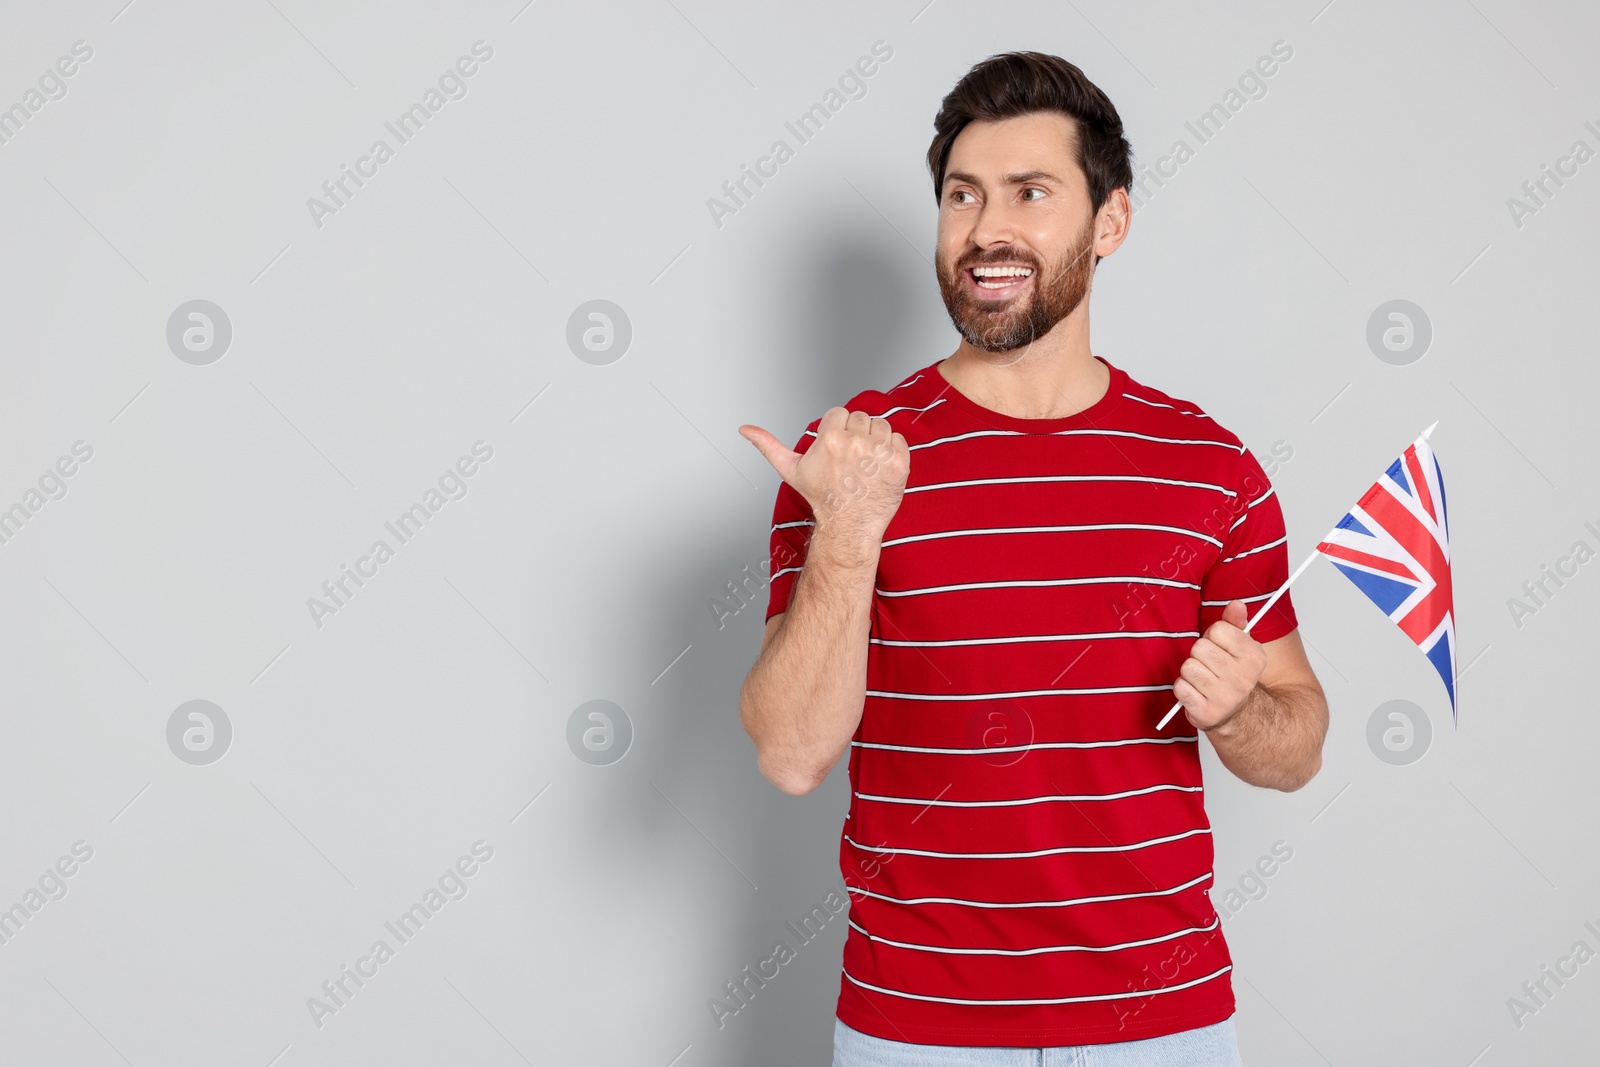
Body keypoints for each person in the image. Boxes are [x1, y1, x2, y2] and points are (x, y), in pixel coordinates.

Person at [736, 51, 1328, 1067]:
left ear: (1110, 223)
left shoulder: (1209, 467)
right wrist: (847, 532)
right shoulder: (853, 452)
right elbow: (791, 753)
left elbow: (1298, 741)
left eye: (1030, 192)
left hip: (1165, 1024)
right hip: (916, 1029)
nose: (984, 229)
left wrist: (1236, 711)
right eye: (961, 195)